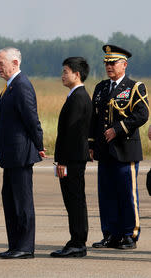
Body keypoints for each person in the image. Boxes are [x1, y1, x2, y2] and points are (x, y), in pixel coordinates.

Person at [90, 45, 149, 250]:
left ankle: (129, 235)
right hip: (105, 151)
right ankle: (110, 234)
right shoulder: (100, 88)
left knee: (127, 194)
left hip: (125, 150)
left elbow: (142, 114)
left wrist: (118, 128)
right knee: (106, 195)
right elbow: (94, 118)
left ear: (124, 64)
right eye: (106, 62)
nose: (108, 66)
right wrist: (91, 145)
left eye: (113, 63)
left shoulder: (135, 87)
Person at [0, 47, 45, 259]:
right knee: (10, 199)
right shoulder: (10, 86)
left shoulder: (22, 85)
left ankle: (25, 247)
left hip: (21, 154)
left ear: (15, 63)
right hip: (11, 156)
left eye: (1, 63)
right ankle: (15, 244)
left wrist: (39, 144)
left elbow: (31, 119)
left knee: (22, 202)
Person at [51, 57, 92, 258]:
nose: (63, 75)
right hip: (74, 157)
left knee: (75, 200)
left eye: (66, 71)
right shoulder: (76, 96)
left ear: (77, 74)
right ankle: (76, 239)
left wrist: (62, 161)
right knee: (74, 200)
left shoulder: (78, 98)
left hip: (73, 159)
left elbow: (72, 133)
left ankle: (78, 242)